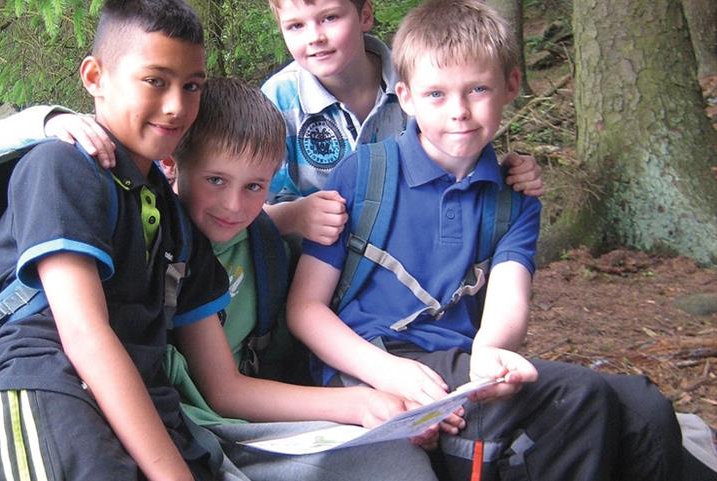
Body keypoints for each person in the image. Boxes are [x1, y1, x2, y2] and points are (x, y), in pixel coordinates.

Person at [0, 77, 443, 481]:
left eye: (255, 186)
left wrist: (364, 404)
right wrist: (49, 120)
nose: (234, 205)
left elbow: (231, 382)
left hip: (215, 424)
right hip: (145, 418)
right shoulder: (152, 230)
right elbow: (213, 386)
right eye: (216, 180)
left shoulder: (253, 246)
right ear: (173, 164)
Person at [286, 1, 683, 480]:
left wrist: (492, 352)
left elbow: (508, 298)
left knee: (647, 408)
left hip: (463, 365)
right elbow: (305, 309)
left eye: (477, 89)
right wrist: (387, 372)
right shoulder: (365, 173)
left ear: (510, 86)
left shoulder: (514, 199)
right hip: (374, 361)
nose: (458, 112)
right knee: (579, 398)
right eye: (436, 94)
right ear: (406, 97)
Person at [0, 2, 238, 480]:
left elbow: (223, 385)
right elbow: (84, 334)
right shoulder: (61, 166)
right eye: (155, 80)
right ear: (94, 76)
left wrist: (365, 404)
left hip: (135, 408)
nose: (177, 106)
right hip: (43, 391)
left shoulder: (172, 215)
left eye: (192, 86)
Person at [260, 0, 545, 245]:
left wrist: (504, 172)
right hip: (309, 268)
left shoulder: (421, 81)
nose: (315, 37)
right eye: (296, 26)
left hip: (404, 261)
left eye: (330, 17)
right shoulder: (277, 100)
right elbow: (248, 204)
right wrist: (294, 216)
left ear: (365, 15)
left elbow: (458, 150)